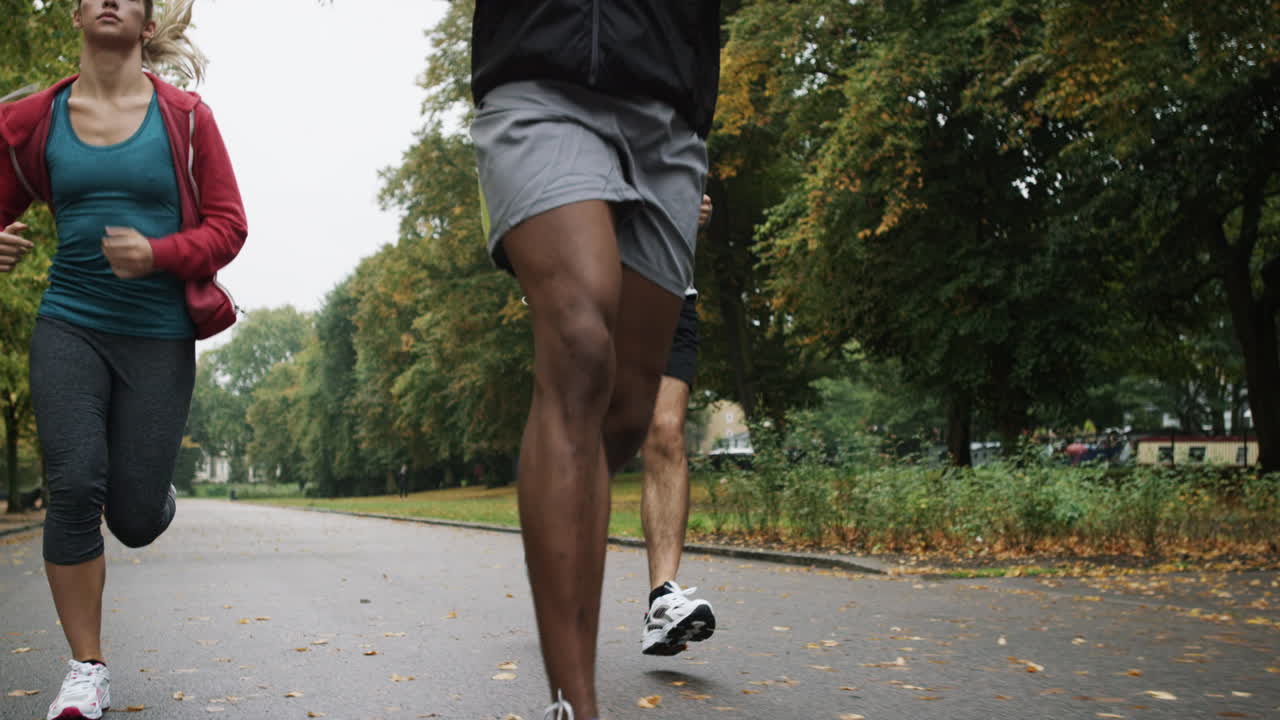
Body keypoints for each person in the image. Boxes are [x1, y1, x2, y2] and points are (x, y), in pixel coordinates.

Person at [469, 3, 721, 718]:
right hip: (540, 76)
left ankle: (555, 525)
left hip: (669, 106)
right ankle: (573, 705)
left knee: (627, 414)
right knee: (580, 346)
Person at [0, 2, 247, 718]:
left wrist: (160, 254)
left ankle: (149, 491)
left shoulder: (187, 119)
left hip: (158, 333)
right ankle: (86, 669)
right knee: (75, 485)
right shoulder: (32, 121)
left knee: (134, 516)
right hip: (69, 321)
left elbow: (229, 227)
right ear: (77, 13)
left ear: (146, 24)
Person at [639, 195, 716, 656]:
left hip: (671, 295)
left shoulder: (683, 125)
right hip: (594, 293)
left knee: (666, 433)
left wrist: (696, 211)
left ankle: (662, 602)